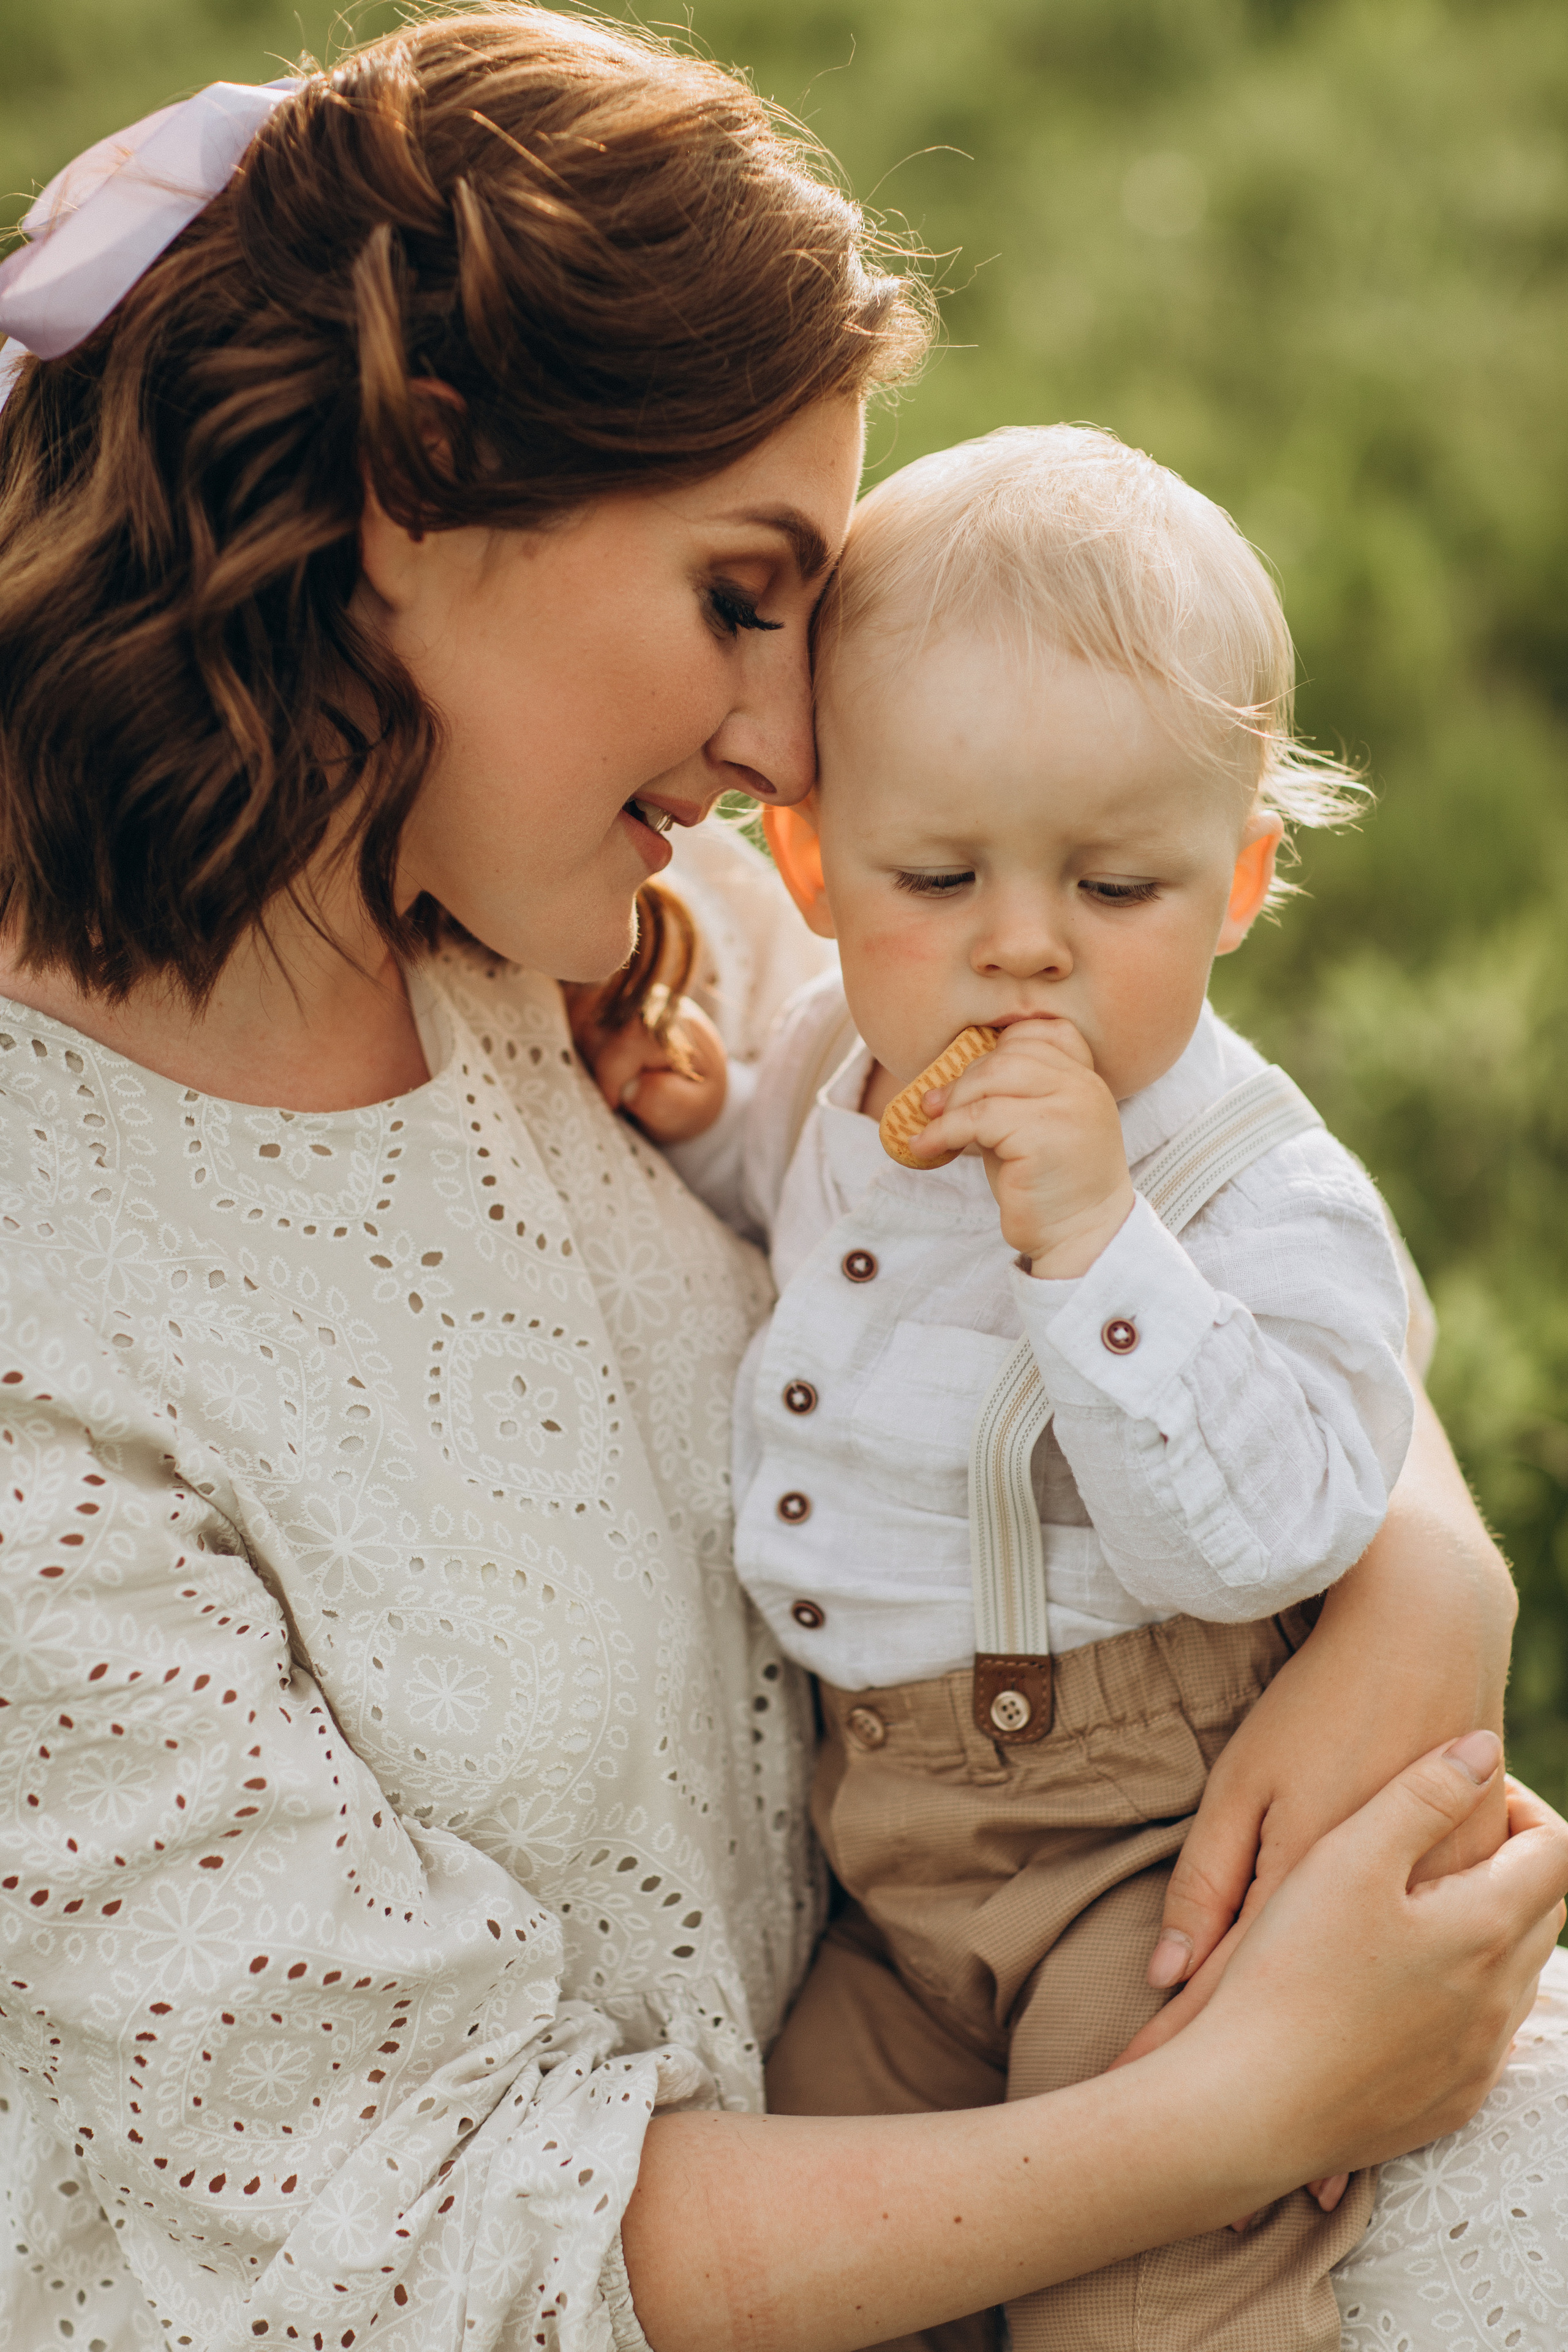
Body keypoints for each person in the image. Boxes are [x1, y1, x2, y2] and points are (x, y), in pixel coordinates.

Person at [0, 15, 1562, 2352]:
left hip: (1035, 2061)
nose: (794, 743)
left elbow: (1179, 1201)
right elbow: (434, 2242)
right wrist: (1240, 2106)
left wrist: (1429, 1576)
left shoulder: (606, 930)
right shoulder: (52, 1319)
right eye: (743, 596)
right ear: (421, 488)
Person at [571, 423, 1477, 2350]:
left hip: (1142, 1839)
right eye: (940, 873)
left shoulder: (1249, 1191)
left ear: (1239, 884)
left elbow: (1281, 1524)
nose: (1023, 947)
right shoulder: (837, 1049)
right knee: (843, 2236)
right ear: (809, 864)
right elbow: (829, 1250)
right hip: (883, 1850)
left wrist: (1097, 1244)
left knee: (1153, 2294)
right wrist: (715, 1124)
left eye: (1119, 890)